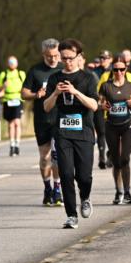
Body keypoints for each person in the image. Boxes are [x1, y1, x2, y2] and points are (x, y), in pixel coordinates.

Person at [44, 39, 99, 229]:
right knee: (66, 173)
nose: (67, 62)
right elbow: (46, 106)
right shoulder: (54, 78)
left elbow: (94, 105)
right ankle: (71, 215)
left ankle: (85, 197)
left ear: (79, 57)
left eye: (71, 58)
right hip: (63, 132)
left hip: (84, 131)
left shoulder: (88, 78)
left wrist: (75, 92)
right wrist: (55, 94)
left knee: (84, 176)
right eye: (64, 58)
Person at [22, 39, 64, 206]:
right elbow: (23, 93)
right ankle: (47, 187)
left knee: (57, 157)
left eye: (55, 55)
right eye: (49, 56)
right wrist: (35, 95)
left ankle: (57, 188)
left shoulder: (63, 69)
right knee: (45, 157)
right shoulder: (35, 70)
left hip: (60, 119)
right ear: (43, 55)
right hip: (42, 120)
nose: (53, 59)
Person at [98, 59, 131, 203]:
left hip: (127, 125)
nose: (119, 72)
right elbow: (98, 103)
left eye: (121, 69)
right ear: (112, 71)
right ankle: (118, 192)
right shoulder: (106, 86)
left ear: (126, 70)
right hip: (111, 125)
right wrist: (103, 106)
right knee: (116, 161)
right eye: (116, 70)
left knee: (125, 158)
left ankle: (128, 192)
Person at [0, 56, 26, 156]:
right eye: (10, 62)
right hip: (7, 100)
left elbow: (27, 86)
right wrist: (3, 86)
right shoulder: (3, 74)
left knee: (17, 122)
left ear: (17, 63)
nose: (12, 64)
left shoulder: (21, 74)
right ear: (7, 63)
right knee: (10, 124)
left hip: (18, 99)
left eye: (14, 62)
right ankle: (12, 144)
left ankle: (17, 144)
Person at [91, 50, 114, 169]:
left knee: (112, 132)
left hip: (113, 105)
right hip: (99, 104)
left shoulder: (116, 71)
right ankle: (101, 158)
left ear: (111, 59)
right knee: (101, 132)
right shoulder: (95, 72)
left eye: (105, 58)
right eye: (101, 58)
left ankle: (110, 156)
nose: (102, 60)